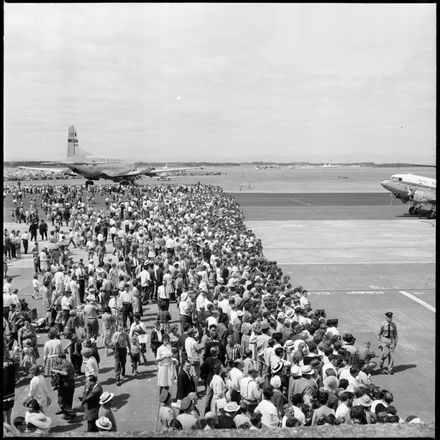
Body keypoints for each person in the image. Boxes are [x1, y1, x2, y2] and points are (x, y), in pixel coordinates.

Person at [51, 352, 76, 422]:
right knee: (61, 398)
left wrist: (56, 371)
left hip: (67, 383)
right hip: (64, 383)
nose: (57, 360)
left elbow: (65, 373)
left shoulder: (66, 364)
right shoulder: (65, 363)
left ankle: (70, 416)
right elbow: (60, 368)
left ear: (60, 358)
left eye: (57, 359)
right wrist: (55, 368)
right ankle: (63, 410)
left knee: (67, 400)